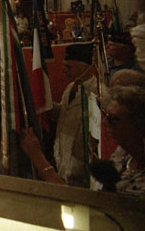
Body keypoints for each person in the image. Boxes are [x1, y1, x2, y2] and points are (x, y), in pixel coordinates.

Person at [21, 84, 145, 203]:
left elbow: (83, 205)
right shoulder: (124, 154)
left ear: (143, 127)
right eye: (105, 115)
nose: (105, 123)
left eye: (113, 119)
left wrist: (39, 159)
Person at [52, 43, 97, 186]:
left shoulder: (96, 93)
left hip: (81, 164)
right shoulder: (70, 87)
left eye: (69, 67)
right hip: (63, 156)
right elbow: (64, 112)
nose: (64, 70)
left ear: (83, 68)